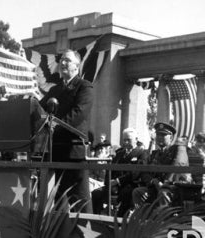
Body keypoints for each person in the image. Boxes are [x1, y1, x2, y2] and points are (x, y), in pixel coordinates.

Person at [39, 49, 94, 212]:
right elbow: (40, 110)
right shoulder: (54, 91)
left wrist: (55, 126)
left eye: (67, 60)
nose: (63, 63)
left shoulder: (84, 87)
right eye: (61, 59)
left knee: (81, 201)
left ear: (77, 66)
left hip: (73, 152)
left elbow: (78, 113)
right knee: (57, 201)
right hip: (53, 152)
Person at [92, 128, 149, 216]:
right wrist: (109, 183)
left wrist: (117, 181)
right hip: (114, 185)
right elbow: (110, 169)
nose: (125, 142)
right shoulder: (119, 153)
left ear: (136, 140)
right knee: (96, 193)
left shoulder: (141, 154)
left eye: (128, 140)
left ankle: (119, 221)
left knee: (125, 194)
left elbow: (135, 173)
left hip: (130, 185)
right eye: (124, 140)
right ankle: (96, 218)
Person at [132, 122, 190, 208]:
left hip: (174, 187)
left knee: (163, 193)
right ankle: (143, 218)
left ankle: (164, 220)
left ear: (171, 137)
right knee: (137, 192)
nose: (159, 137)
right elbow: (144, 172)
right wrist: (153, 181)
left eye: (163, 135)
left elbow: (177, 165)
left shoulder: (178, 149)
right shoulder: (155, 154)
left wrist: (165, 183)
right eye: (158, 135)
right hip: (156, 187)